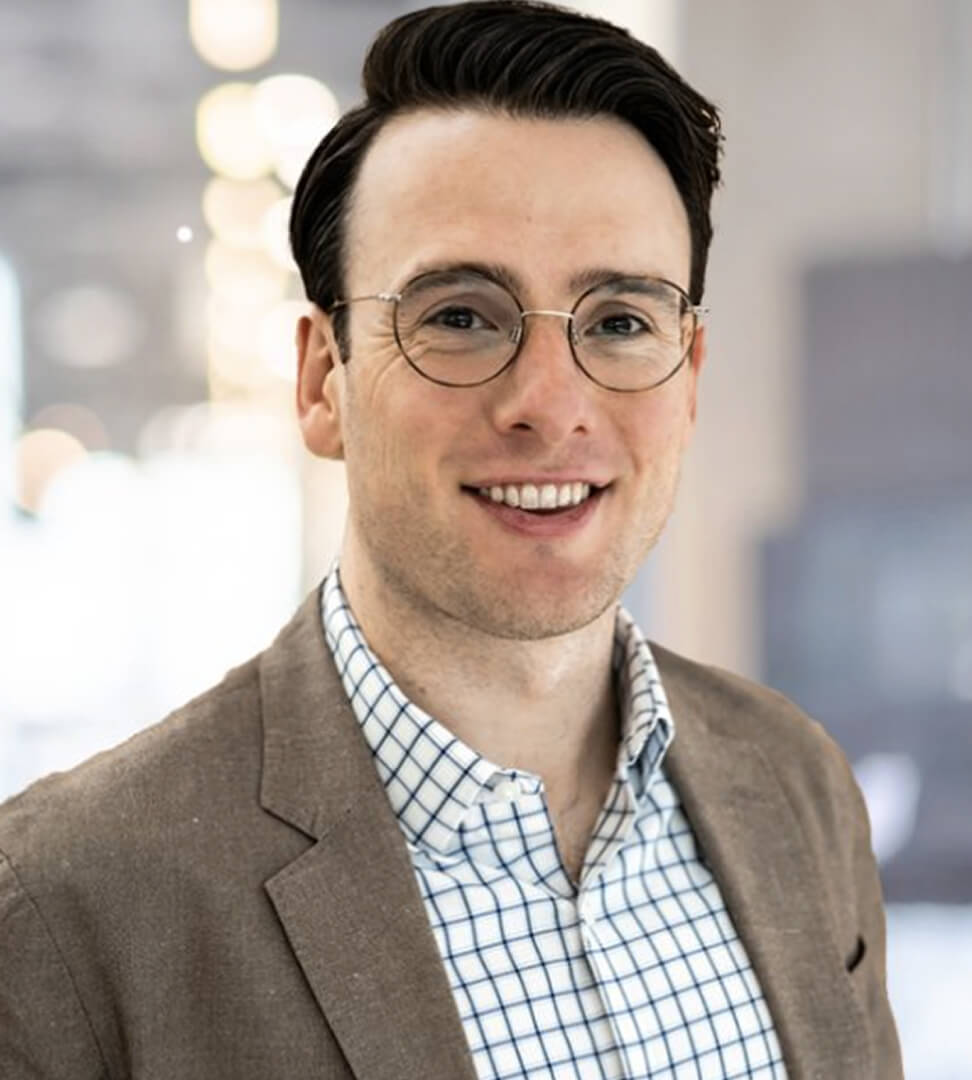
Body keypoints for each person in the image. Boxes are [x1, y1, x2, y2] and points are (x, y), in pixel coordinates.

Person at [0, 3, 902, 1077]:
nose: (550, 404)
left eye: (619, 321)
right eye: (462, 316)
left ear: (689, 376)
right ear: (321, 380)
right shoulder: (67, 901)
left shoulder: (797, 783)